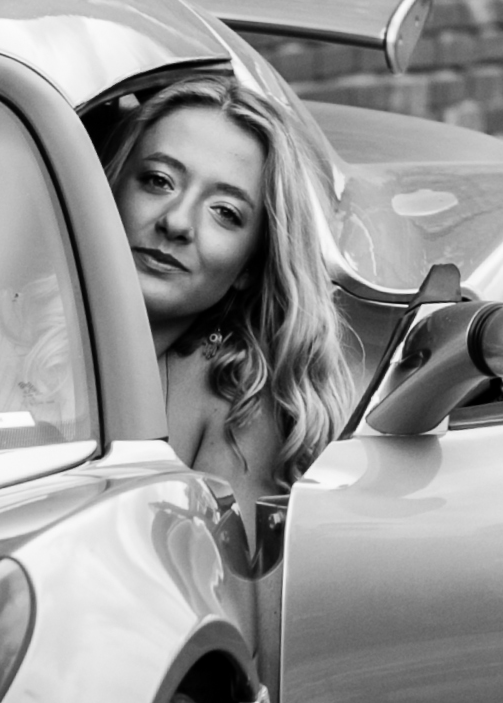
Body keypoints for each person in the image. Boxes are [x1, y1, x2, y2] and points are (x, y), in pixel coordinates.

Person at [88, 74, 362, 506]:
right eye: (159, 180)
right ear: (107, 189)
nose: (177, 222)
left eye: (225, 212)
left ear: (249, 266)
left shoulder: (239, 398)